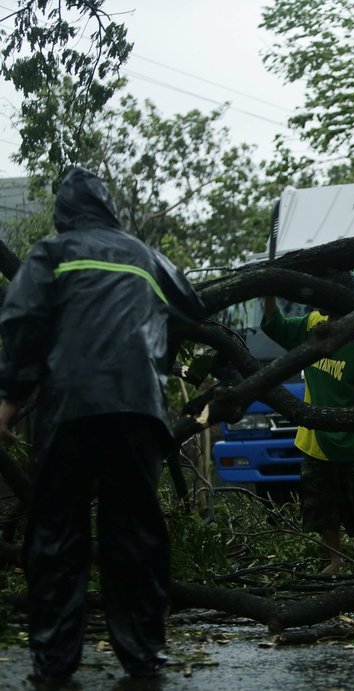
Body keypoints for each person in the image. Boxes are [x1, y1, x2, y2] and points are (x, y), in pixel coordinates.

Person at [0, 166, 205, 683]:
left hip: (70, 409)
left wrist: (9, 399)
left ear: (63, 212)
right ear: (109, 208)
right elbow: (193, 307)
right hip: (137, 409)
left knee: (56, 535)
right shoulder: (144, 255)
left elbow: (23, 322)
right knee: (135, 533)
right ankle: (143, 657)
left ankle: (53, 664)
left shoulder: (52, 252)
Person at [261, 280, 354, 574]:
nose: (317, 301)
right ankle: (335, 560)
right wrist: (268, 291)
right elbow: (276, 325)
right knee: (320, 506)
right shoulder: (313, 323)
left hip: (352, 443)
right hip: (314, 440)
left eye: (324, 295)